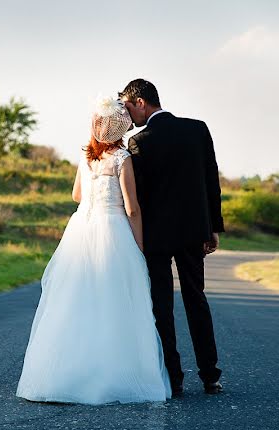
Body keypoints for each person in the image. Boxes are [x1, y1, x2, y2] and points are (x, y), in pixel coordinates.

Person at [15, 95, 172, 404]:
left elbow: (76, 195)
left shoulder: (86, 157)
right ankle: (114, 374)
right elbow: (132, 208)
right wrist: (139, 247)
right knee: (114, 302)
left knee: (75, 299)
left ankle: (60, 375)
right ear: (122, 128)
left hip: (82, 231)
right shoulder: (122, 159)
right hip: (113, 230)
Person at [120, 78, 225, 395]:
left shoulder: (140, 142)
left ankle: (174, 378)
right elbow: (211, 181)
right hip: (195, 231)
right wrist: (213, 228)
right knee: (197, 299)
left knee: (161, 305)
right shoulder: (198, 129)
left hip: (157, 237)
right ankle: (210, 375)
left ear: (140, 102)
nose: (128, 118)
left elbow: (140, 197)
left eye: (128, 107)